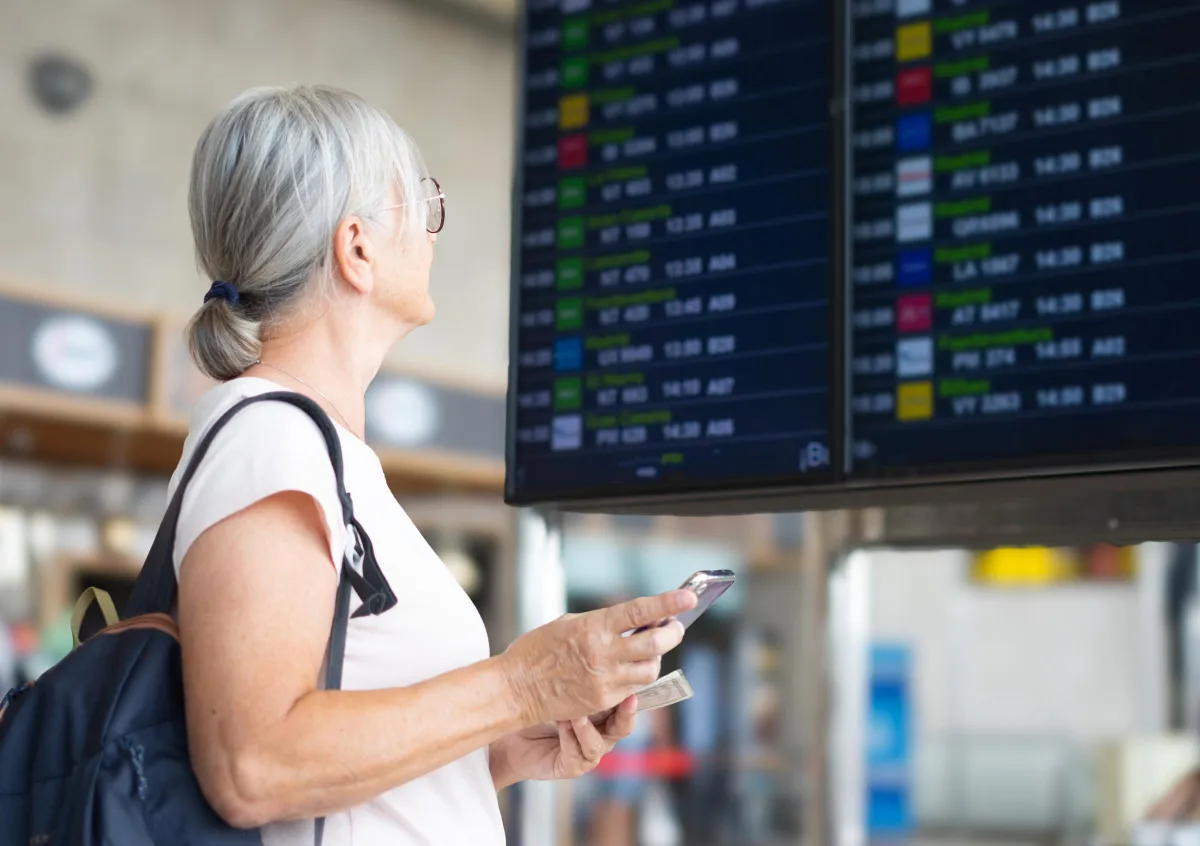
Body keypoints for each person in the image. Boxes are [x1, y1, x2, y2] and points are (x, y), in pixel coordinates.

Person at [172, 84, 696, 845]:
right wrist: (518, 685)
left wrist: (494, 751)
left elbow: (336, 786)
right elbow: (254, 766)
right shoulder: (269, 440)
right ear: (356, 248)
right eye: (419, 201)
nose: (434, 228)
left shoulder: (323, 452)